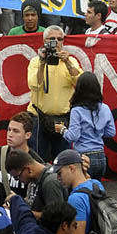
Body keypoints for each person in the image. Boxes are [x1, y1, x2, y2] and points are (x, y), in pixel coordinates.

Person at [27, 25, 83, 160]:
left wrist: (68, 62)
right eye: (52, 39)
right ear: (44, 41)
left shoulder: (71, 60)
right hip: (39, 118)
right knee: (38, 159)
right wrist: (42, 62)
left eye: (60, 39)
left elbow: (80, 83)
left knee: (64, 160)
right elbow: (34, 85)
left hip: (62, 120)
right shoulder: (35, 62)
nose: (56, 42)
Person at [53, 148, 107, 234]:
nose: (58, 178)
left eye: (60, 173)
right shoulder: (96, 184)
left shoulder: (75, 199)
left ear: (71, 168)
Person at [54, 72, 116, 179]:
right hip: (101, 156)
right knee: (95, 191)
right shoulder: (105, 108)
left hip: (83, 156)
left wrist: (62, 129)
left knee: (81, 189)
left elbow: (73, 136)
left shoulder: (76, 110)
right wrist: (97, 131)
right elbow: (111, 132)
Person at [0, 111, 42, 205]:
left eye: (16, 131)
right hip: (0, 213)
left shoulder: (35, 162)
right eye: (9, 129)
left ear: (28, 135)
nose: (10, 134)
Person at [4, 149, 66, 217]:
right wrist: (18, 200)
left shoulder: (50, 183)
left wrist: (22, 211)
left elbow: (55, 217)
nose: (18, 180)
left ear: (28, 169)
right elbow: (32, 202)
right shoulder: (33, 178)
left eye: (18, 177)